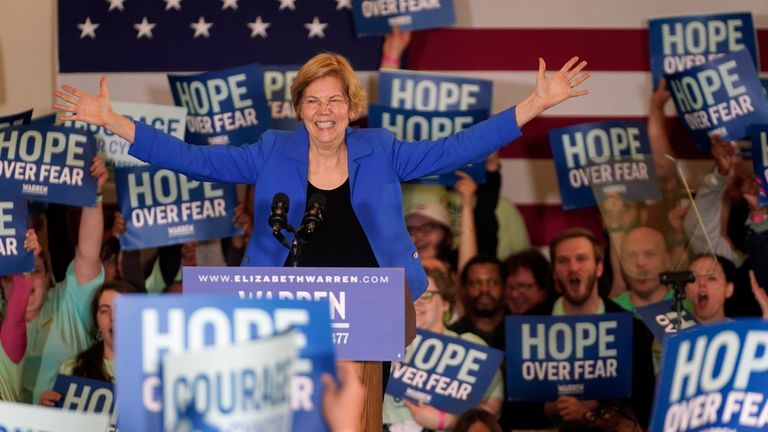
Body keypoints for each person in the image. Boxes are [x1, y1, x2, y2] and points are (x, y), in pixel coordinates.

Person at [54, 52, 590, 304]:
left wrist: (534, 104)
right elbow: (195, 159)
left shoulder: (380, 149)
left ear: (353, 106)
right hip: (283, 301)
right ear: (299, 109)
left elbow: (458, 147)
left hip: (374, 304)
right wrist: (114, 122)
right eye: (313, 100)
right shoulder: (271, 151)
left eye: (335, 99)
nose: (325, 109)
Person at [9, 155, 107, 403]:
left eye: (36, 271)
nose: (28, 281)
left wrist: (93, 195)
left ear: (49, 277)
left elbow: (87, 254)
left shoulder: (67, 302)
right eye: (19, 273)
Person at [383, 267, 504, 431]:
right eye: (409, 296)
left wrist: (447, 421)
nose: (416, 302)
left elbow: (492, 405)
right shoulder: (384, 345)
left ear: (446, 304)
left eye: (426, 295)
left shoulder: (470, 344)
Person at [38, 280, 137, 406]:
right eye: (104, 311)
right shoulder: (73, 368)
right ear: (97, 322)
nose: (113, 317)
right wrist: (45, 408)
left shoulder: (155, 369)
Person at [448, 256, 507, 350]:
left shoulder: (522, 332)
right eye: (475, 282)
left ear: (505, 287)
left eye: (493, 282)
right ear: (463, 289)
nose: (484, 289)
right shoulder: (453, 337)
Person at [685, 254, 736, 324]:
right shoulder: (674, 333)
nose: (701, 283)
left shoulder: (742, 332)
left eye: (711, 278)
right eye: (693, 278)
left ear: (729, 289)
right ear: (686, 289)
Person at [503, 249, 555, 315]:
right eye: (509, 287)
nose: (514, 294)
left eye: (522, 286)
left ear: (543, 288)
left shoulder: (559, 318)